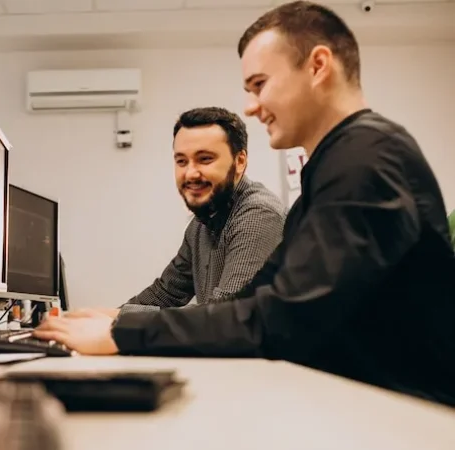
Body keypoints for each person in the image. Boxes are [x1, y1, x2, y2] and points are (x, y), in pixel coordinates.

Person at [34, 1, 455, 406]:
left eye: (259, 85)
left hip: (405, 413)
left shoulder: (366, 158)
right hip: (366, 400)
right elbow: (252, 303)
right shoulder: (336, 164)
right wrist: (118, 320)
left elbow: (281, 320)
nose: (252, 107)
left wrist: (124, 332)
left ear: (318, 66)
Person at [68, 107, 285, 320]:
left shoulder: (259, 215)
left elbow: (226, 313)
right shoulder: (203, 220)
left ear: (240, 162)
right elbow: (166, 292)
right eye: (181, 161)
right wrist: (104, 319)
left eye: (205, 159)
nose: (190, 173)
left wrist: (119, 318)